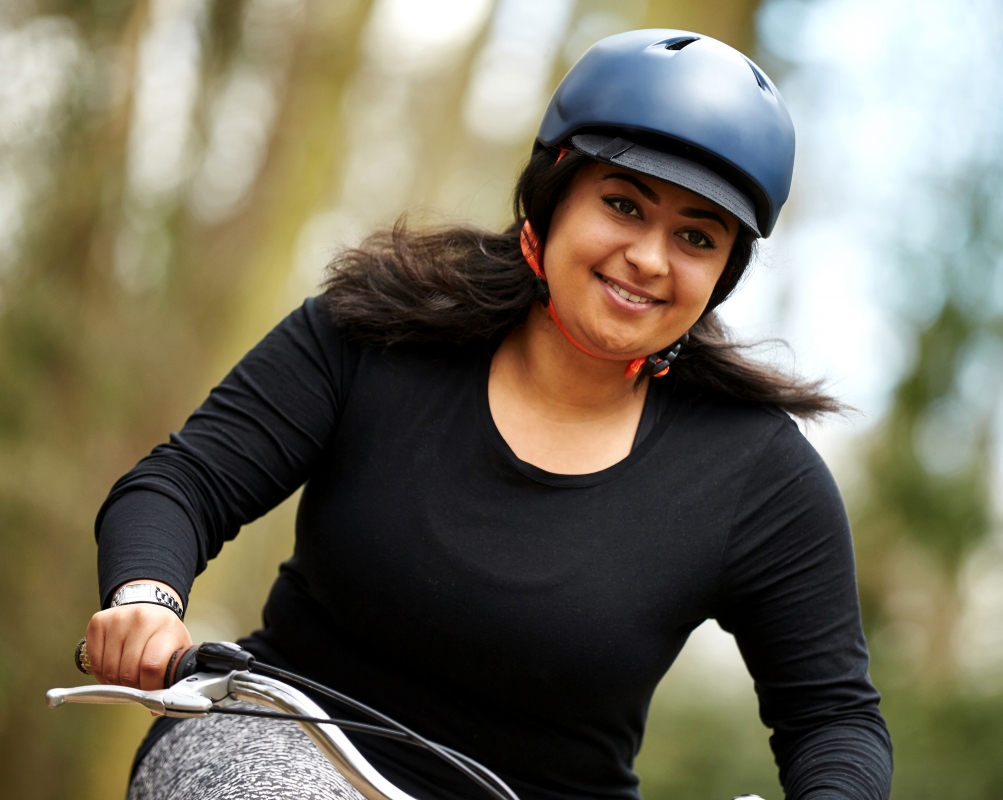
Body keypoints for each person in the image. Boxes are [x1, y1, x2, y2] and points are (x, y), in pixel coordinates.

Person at [87, 29, 892, 800]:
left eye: (697, 236)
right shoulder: (375, 330)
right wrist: (146, 599)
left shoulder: (760, 476)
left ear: (723, 274)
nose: (650, 258)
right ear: (551, 198)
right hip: (275, 741)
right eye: (623, 204)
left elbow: (833, 719)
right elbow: (185, 482)